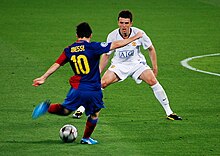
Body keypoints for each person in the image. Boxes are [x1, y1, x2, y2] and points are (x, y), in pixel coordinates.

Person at [32, 22, 143, 145]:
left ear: (76, 35)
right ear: (90, 35)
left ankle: (47, 108)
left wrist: (43, 77)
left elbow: (57, 64)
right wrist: (134, 37)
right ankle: (86, 138)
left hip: (77, 88)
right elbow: (116, 44)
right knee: (95, 114)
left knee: (65, 110)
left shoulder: (69, 50)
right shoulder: (93, 47)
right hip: (93, 89)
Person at [73, 10, 182, 121]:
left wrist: (155, 67)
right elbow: (106, 55)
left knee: (152, 81)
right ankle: (81, 108)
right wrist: (99, 71)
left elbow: (151, 48)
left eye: (126, 23)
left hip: (137, 64)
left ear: (131, 23)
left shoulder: (139, 33)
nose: (123, 26)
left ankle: (169, 112)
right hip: (119, 65)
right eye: (121, 23)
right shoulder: (112, 35)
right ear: (118, 23)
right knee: (102, 83)